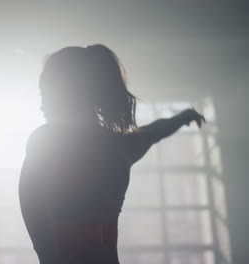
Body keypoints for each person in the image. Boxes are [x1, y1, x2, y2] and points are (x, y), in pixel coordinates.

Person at [18, 44, 206, 264]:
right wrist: (182, 118)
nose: (42, 106)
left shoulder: (46, 142)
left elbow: (37, 222)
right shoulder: (118, 146)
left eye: (45, 93)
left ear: (64, 93)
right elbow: (155, 131)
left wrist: (180, 119)